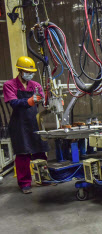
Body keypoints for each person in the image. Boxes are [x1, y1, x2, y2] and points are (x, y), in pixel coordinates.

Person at [3, 56, 49, 194]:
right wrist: (29, 101)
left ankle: (44, 178)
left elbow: (43, 100)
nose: (30, 74)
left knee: (40, 151)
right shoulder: (9, 85)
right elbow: (13, 103)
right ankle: (25, 183)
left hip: (34, 121)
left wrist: (49, 101)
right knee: (23, 153)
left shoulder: (36, 85)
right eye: (27, 71)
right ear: (20, 70)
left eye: (31, 72)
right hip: (19, 123)